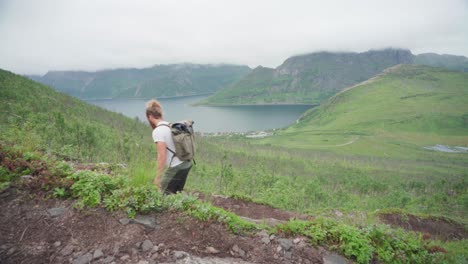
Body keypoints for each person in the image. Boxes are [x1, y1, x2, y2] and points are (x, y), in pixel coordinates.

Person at [146, 99, 192, 194]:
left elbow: (162, 156)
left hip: (176, 166)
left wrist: (158, 177)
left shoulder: (158, 131)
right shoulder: (170, 125)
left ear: (149, 116)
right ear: (161, 114)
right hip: (187, 164)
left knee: (161, 194)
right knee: (175, 193)